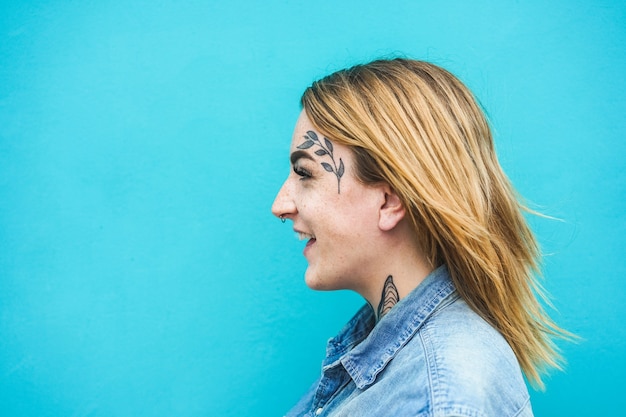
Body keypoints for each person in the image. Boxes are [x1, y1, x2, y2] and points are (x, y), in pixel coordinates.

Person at [271, 58, 569, 417]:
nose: (280, 205)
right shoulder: (400, 359)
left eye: (305, 173)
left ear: (389, 201)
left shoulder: (438, 395)